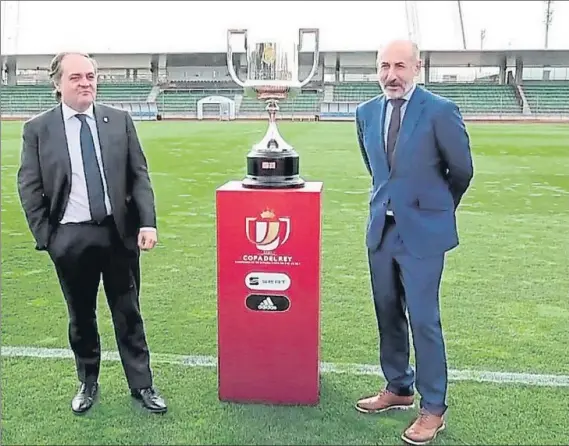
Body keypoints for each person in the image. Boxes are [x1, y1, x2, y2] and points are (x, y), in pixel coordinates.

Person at [17, 52, 167, 415]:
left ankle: (142, 385)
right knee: (81, 317)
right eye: (76, 77)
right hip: (70, 238)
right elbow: (28, 184)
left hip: (118, 236)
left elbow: (139, 176)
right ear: (57, 83)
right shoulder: (38, 129)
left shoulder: (119, 121)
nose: (86, 83)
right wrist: (49, 238)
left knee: (128, 312)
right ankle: (87, 382)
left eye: (91, 76)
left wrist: (147, 222)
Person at [353, 40, 473, 445]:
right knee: (387, 312)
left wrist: (436, 209)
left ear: (417, 68)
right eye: (384, 66)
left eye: (400, 65)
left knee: (423, 319)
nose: (392, 74)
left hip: (422, 233)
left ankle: (433, 408)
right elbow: (376, 169)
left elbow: (461, 170)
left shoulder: (440, 111)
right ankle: (398, 387)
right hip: (381, 231)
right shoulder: (366, 113)